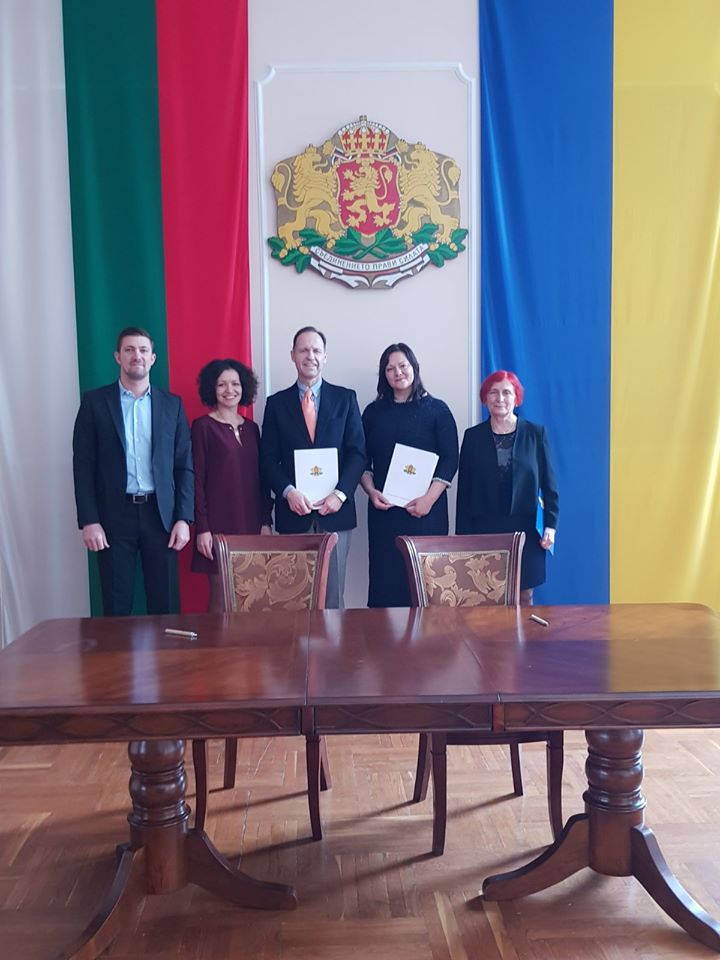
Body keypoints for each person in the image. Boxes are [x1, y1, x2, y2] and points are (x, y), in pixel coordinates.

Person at [72, 327, 194, 615]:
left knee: (163, 605)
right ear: (118, 357)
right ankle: (116, 650)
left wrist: (184, 518)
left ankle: (164, 649)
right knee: (115, 607)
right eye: (129, 350)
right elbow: (83, 465)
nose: (136, 356)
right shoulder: (94, 403)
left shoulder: (172, 405)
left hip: (160, 517)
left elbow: (183, 465)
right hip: (113, 517)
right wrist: (89, 520)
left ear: (153, 358)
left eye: (142, 350)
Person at [260, 326, 366, 609]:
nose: (310, 356)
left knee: (332, 598)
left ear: (325, 357)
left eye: (316, 350)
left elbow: (358, 454)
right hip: (294, 513)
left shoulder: (346, 399)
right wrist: (288, 492)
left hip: (336, 513)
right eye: (304, 350)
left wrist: (340, 494)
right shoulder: (276, 404)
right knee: (293, 596)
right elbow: (268, 458)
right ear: (293, 355)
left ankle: (333, 642)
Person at [361, 343, 458, 607]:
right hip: (385, 512)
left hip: (426, 513)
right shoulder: (372, 413)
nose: (397, 373)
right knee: (387, 585)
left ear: (414, 367)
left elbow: (450, 459)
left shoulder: (438, 410)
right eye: (390, 368)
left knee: (426, 587)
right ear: (384, 375)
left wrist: (428, 499)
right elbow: (362, 459)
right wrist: (371, 491)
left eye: (403, 366)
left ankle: (428, 636)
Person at [456, 369, 558, 605]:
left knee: (524, 594)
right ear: (485, 398)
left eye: (506, 393)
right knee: (487, 596)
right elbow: (464, 491)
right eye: (493, 392)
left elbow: (549, 485)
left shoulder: (535, 434)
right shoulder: (472, 437)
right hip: (485, 529)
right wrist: (462, 537)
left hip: (526, 529)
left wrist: (551, 526)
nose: (500, 398)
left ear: (516, 398)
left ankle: (523, 632)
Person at [191, 359, 272, 611]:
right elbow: (196, 481)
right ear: (211, 388)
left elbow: (263, 479)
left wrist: (266, 522)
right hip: (218, 527)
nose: (230, 390)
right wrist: (203, 529)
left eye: (235, 384)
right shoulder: (202, 427)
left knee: (252, 598)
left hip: (251, 524)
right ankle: (216, 640)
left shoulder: (253, 429)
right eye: (222, 384)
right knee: (221, 599)